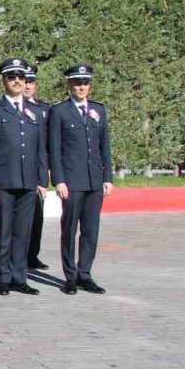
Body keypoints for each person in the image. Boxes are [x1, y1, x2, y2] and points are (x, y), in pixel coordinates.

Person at [0, 58, 48, 297]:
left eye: (21, 77)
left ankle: (20, 277)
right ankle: (3, 277)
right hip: (4, 181)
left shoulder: (36, 111)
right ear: (4, 81)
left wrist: (42, 180)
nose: (17, 81)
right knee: (4, 230)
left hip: (28, 180)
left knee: (24, 232)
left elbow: (41, 148)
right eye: (12, 77)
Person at [48, 64, 112, 295]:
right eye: (77, 83)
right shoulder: (60, 111)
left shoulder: (99, 110)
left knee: (91, 230)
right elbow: (54, 149)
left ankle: (86, 274)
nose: (81, 87)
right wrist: (59, 180)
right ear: (69, 85)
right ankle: (70, 276)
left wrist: (108, 176)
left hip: (94, 179)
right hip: (72, 181)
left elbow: (104, 146)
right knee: (69, 229)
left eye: (85, 83)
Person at [24, 65, 52, 271]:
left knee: (36, 216)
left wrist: (47, 173)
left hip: (37, 169)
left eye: (30, 81)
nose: (26, 85)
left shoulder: (44, 110)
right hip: (14, 171)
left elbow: (49, 143)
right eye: (24, 81)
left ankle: (32, 254)